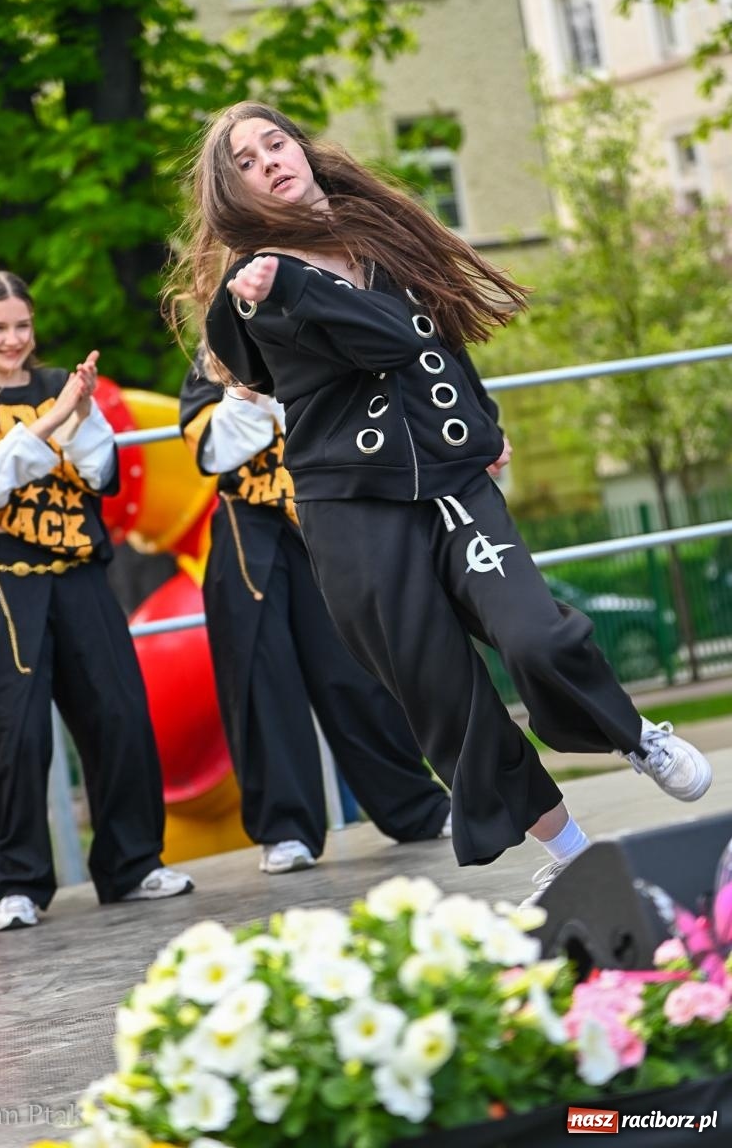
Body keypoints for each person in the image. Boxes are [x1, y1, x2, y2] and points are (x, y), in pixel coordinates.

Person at [169, 101, 713, 906]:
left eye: (274, 143)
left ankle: (634, 736)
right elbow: (383, 342)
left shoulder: (384, 235)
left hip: (451, 486)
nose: (267, 162)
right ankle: (567, 851)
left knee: (535, 635)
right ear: (233, 194)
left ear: (302, 150)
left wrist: (481, 424)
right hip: (352, 513)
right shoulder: (252, 290)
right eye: (244, 162)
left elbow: (437, 340)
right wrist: (282, 287)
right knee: (443, 695)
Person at [0, 271, 193, 931]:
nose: (13, 339)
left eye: (22, 326)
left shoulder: (64, 387)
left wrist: (75, 416)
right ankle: (18, 883)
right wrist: (55, 420)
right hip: (7, 580)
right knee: (12, 734)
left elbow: (101, 470)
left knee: (119, 716)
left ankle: (132, 866)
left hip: (79, 571)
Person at [179, 348, 452, 873]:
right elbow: (214, 453)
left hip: (325, 521)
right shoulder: (212, 362)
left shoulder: (313, 342)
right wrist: (248, 388)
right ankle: (285, 829)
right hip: (248, 533)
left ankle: (414, 808)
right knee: (262, 679)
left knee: (355, 669)